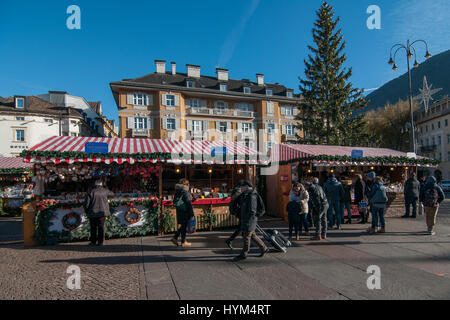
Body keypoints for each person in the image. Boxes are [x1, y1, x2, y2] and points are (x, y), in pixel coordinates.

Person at [233, 181, 268, 262]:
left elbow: (252, 211)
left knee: (246, 237)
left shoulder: (251, 196)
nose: (240, 188)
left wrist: (247, 221)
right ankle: (264, 248)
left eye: (242, 187)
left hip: (249, 220)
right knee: (252, 235)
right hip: (248, 219)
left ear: (247, 187)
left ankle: (243, 254)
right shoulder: (246, 195)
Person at [83, 180, 114, 246]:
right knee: (101, 227)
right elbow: (112, 194)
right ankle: (101, 242)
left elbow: (86, 204)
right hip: (102, 212)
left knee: (93, 228)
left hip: (93, 212)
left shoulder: (91, 191)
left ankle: (93, 242)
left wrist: (87, 211)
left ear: (95, 184)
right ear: (101, 184)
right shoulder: (105, 191)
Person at [171, 178, 195, 247]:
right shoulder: (185, 192)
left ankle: (176, 238)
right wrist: (192, 213)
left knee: (183, 225)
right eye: (188, 184)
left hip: (179, 210)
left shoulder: (177, 191)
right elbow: (188, 203)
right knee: (183, 226)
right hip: (185, 211)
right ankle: (183, 241)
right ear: (186, 184)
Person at [225, 182, 244, 249]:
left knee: (242, 227)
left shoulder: (236, 190)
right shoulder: (239, 191)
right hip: (239, 211)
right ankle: (230, 240)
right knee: (243, 227)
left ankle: (230, 240)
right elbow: (239, 201)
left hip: (238, 211)